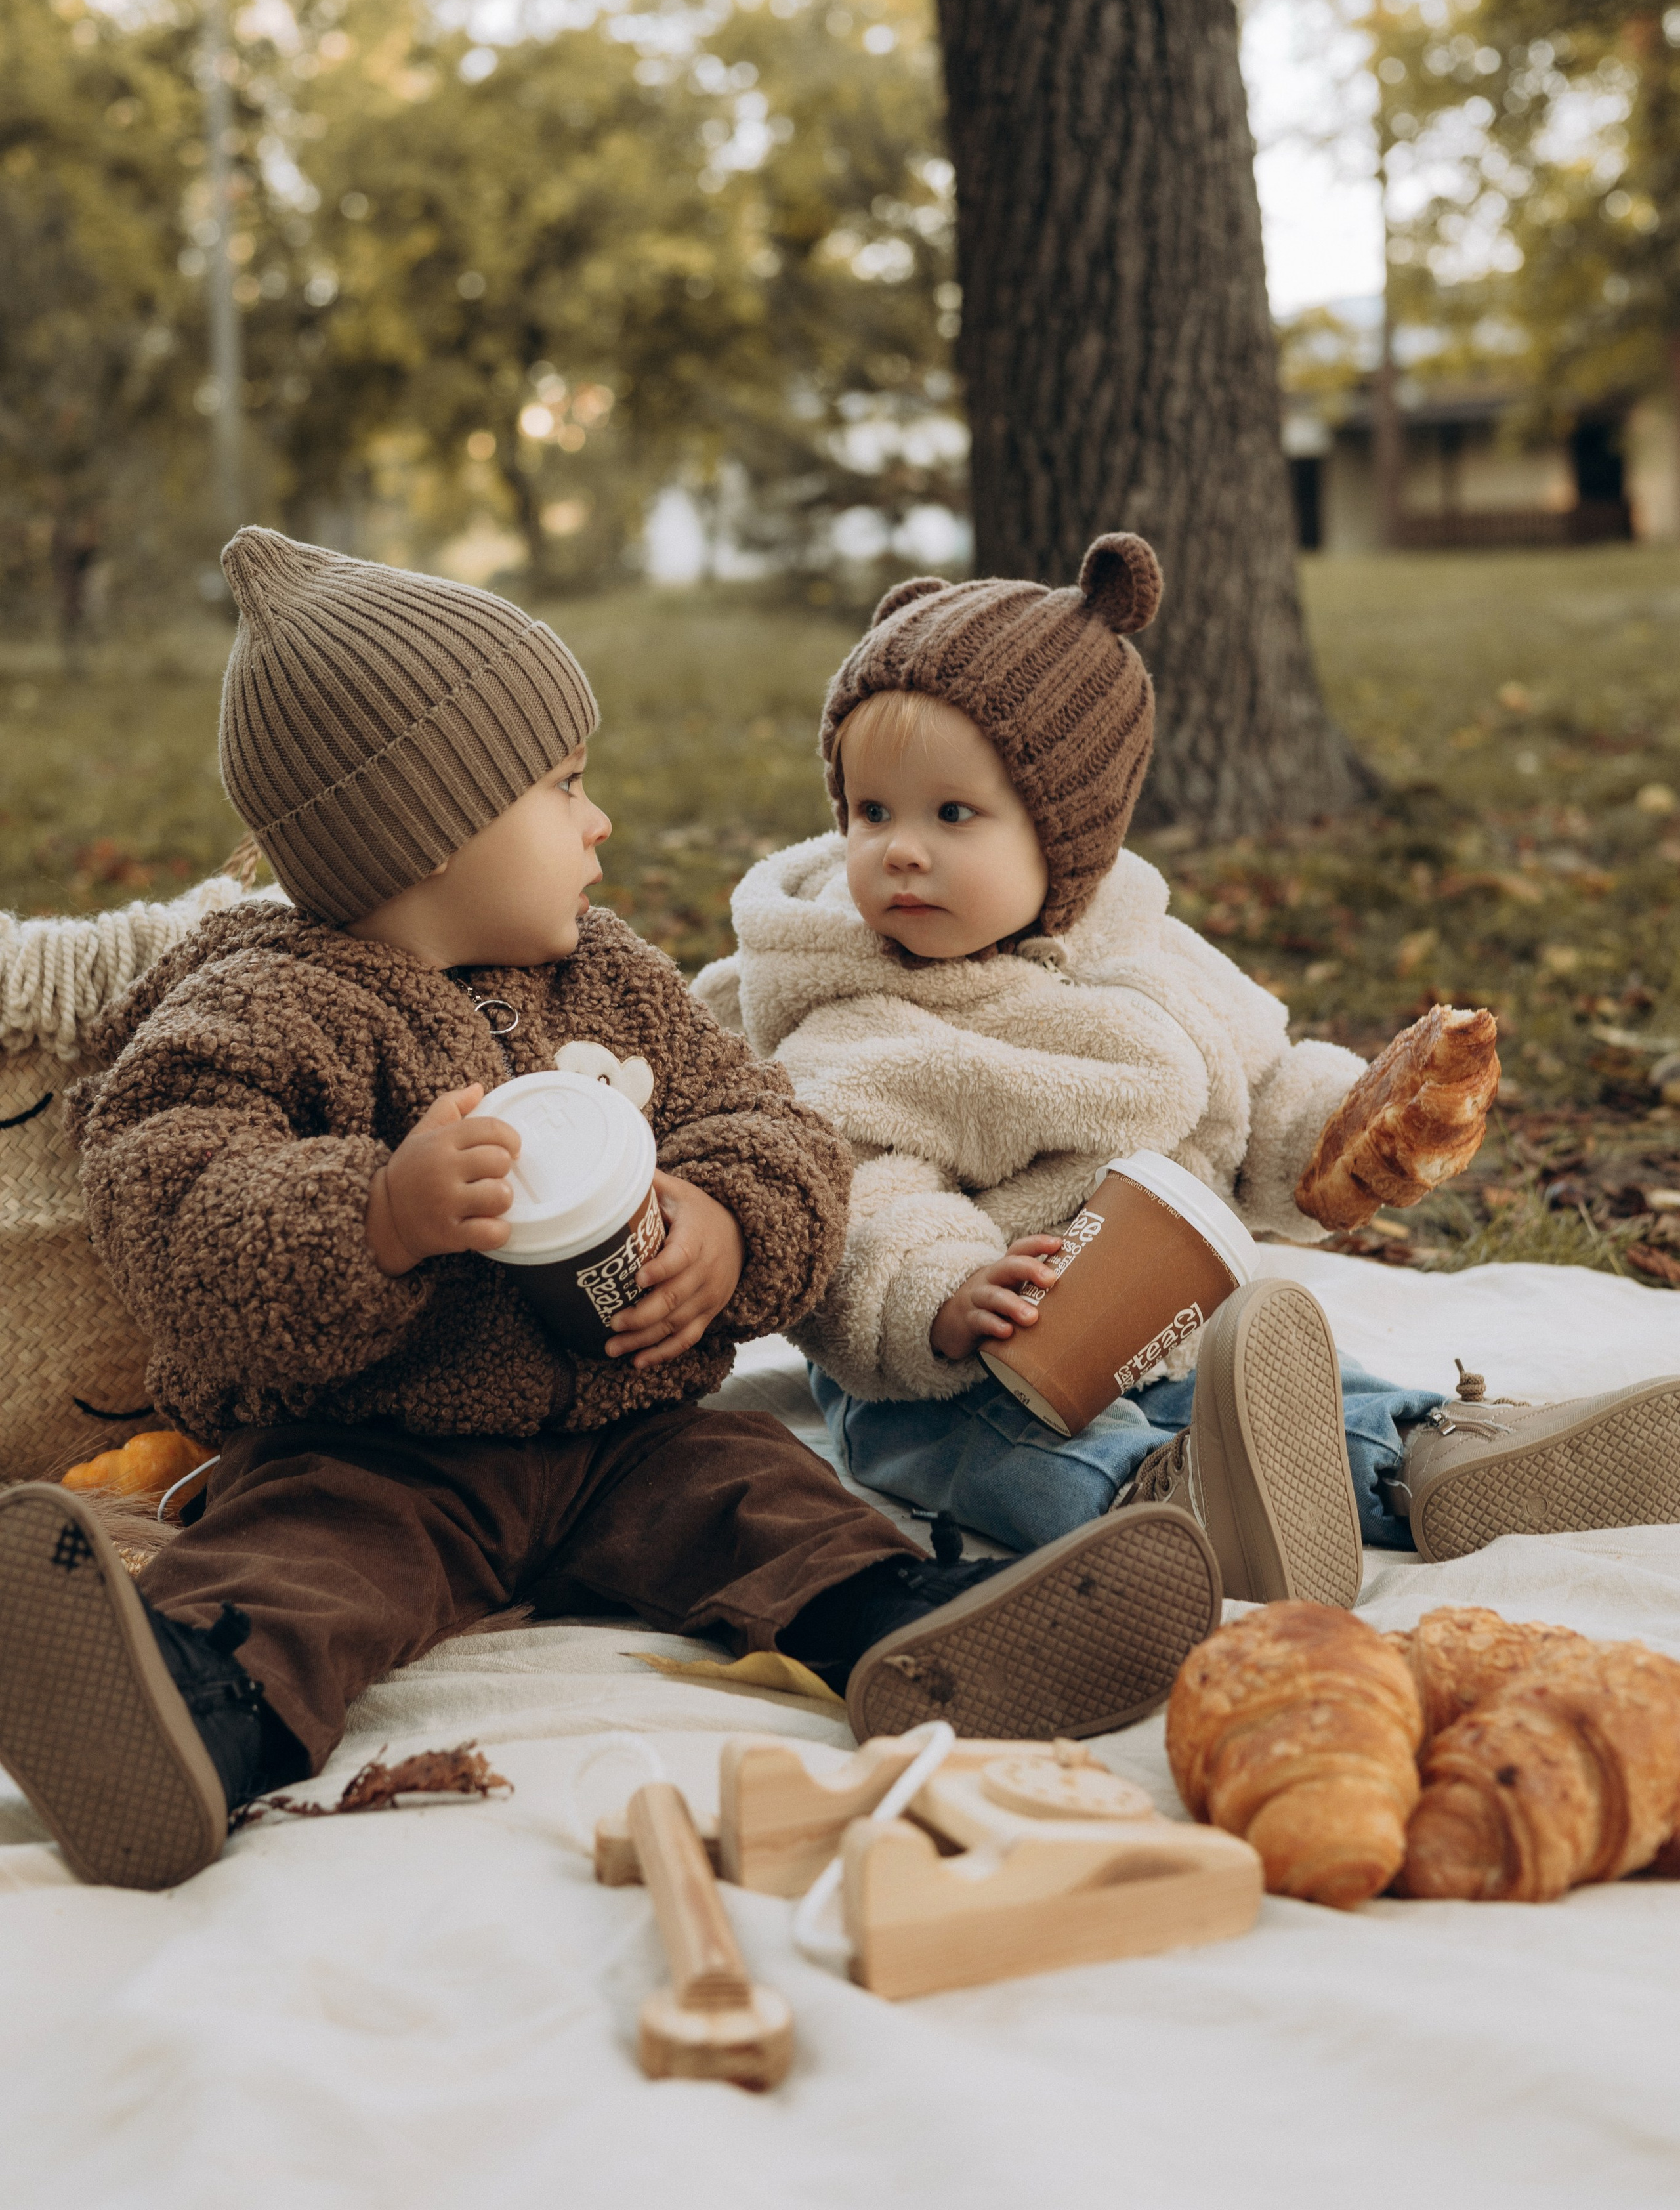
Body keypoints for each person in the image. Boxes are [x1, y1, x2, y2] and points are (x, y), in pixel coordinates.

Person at [0, 530, 1225, 1895]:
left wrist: (724, 1223)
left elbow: (768, 1124)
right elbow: (168, 1203)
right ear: (428, 826)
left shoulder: (607, 975)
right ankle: (180, 1717)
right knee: (295, 1576)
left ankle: (915, 1627)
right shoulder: (255, 1006)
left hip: (627, 1432)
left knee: (768, 1499)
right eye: (564, 788)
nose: (598, 824)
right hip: (375, 1450)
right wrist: (375, 1214)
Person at [695, 536, 1680, 1593]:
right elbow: (858, 1187)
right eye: (871, 812)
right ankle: (1159, 1507)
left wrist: (1342, 1136)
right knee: (978, 1443)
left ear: (1066, 838)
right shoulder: (856, 1015)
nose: (898, 850)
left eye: (952, 815)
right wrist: (940, 1291)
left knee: (1258, 1385)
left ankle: (1427, 1455)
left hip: (1153, 1308)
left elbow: (1253, 1073)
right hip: (954, 1348)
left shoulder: (1136, 940)